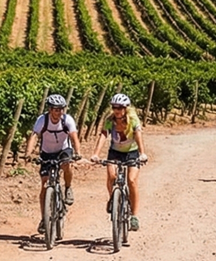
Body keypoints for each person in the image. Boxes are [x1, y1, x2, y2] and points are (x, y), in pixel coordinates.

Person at [89, 93, 145, 232]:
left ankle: (134, 216)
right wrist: (96, 154)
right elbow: (103, 135)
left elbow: (138, 136)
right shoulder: (110, 120)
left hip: (132, 152)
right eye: (114, 107)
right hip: (115, 152)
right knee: (111, 176)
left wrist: (142, 153)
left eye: (119, 107)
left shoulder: (133, 120)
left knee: (131, 181)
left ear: (125, 108)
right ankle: (113, 199)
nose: (117, 110)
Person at [26, 94, 79, 233]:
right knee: (44, 184)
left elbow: (74, 136)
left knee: (67, 164)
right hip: (47, 152)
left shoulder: (67, 120)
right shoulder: (42, 120)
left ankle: (68, 188)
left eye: (61, 109)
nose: (59, 112)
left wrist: (78, 153)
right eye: (56, 109)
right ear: (50, 110)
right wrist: (28, 153)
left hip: (63, 150)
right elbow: (34, 136)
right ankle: (44, 218)